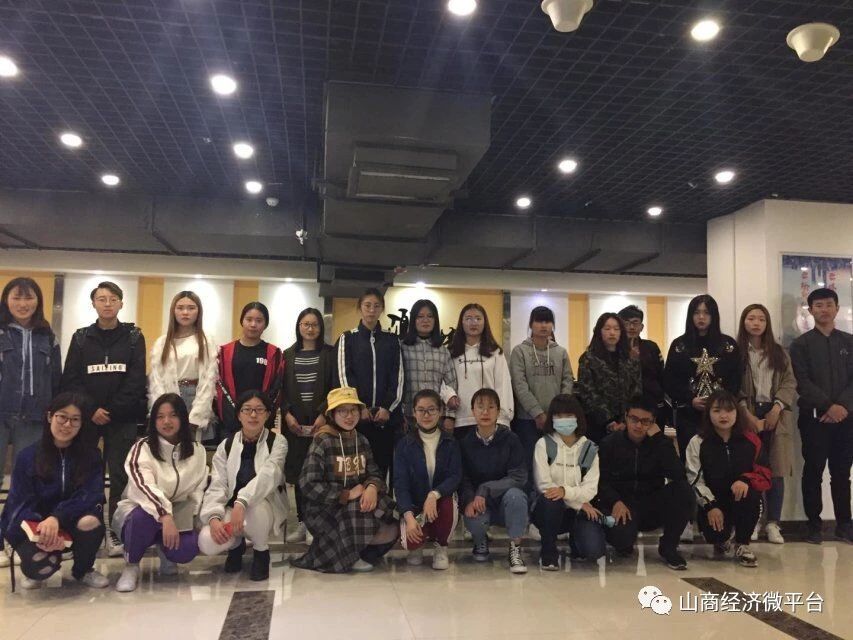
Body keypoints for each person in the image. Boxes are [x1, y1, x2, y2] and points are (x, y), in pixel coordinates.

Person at [60, 281, 147, 557]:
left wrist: (111, 410)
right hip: (87, 419)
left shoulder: (134, 337)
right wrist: (92, 410)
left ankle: (116, 531)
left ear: (121, 303)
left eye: (112, 299)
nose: (107, 304)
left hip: (122, 419)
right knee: (85, 474)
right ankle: (87, 530)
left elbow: (136, 380)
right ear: (93, 304)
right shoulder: (81, 338)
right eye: (101, 299)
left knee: (121, 475)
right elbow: (71, 378)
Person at [0, 392, 109, 589]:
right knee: (38, 566)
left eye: (75, 420)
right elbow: (19, 501)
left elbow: (90, 495)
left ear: (81, 424)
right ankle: (42, 565)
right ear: (50, 416)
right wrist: (43, 529)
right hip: (39, 527)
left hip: (71, 522)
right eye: (62, 417)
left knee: (90, 521)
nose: (67, 425)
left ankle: (83, 570)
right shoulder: (27, 456)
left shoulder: (91, 456)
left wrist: (58, 518)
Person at [291, 387, 398, 573]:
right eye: (343, 411)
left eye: (353, 410)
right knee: (359, 511)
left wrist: (372, 487)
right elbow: (308, 484)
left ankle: (358, 551)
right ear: (332, 414)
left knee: (390, 513)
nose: (349, 416)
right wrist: (345, 494)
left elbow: (374, 472)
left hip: (356, 502)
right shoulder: (322, 441)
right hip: (324, 508)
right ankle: (349, 557)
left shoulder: (361, 440)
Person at [113, 393, 208, 592]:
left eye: (173, 415)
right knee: (142, 518)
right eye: (160, 416)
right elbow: (144, 486)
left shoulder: (197, 451)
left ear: (183, 418)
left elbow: (198, 488)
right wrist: (165, 515)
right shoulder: (142, 448)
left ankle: (166, 551)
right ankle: (131, 564)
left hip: (178, 511)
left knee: (187, 549)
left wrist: (192, 517)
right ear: (153, 421)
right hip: (141, 510)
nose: (167, 421)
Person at [0, 278, 62, 554]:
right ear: (6, 300)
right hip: (1, 414)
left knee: (25, 483)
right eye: (17, 297)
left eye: (29, 298)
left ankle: (14, 538)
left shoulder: (47, 336)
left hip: (35, 419)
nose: (23, 304)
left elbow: (57, 380)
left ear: (38, 301)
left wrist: (55, 414)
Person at [198, 391, 288, 581]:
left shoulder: (277, 442)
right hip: (233, 509)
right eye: (247, 410)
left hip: (263, 506)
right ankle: (235, 545)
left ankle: (261, 551)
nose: (253, 415)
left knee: (256, 510)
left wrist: (242, 501)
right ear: (239, 415)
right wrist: (214, 517)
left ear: (267, 415)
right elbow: (218, 484)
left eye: (259, 410)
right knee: (207, 541)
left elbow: (269, 475)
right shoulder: (226, 445)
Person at [596, 395, 693, 570]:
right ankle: (625, 542)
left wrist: (659, 439)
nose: (639, 425)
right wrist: (615, 501)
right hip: (622, 505)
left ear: (653, 422)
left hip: (650, 504)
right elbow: (601, 481)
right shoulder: (610, 444)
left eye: (645, 421)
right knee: (622, 540)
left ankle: (669, 547)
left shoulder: (660, 443)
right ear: (626, 417)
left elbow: (678, 475)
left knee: (683, 491)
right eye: (634, 419)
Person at [789, 288, 853, 545]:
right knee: (813, 471)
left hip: (847, 419)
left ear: (837, 308)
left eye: (828, 304)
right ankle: (813, 525)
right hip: (813, 418)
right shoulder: (801, 345)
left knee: (842, 473)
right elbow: (801, 381)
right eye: (818, 305)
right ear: (811, 310)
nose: (824, 309)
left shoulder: (849, 342)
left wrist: (842, 407)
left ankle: (844, 525)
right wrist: (828, 406)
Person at [686, 390, 769, 568]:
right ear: (708, 413)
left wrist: (745, 480)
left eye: (729, 410)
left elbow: (764, 473)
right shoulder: (697, 442)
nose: (723, 416)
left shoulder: (751, 440)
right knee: (715, 535)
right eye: (717, 410)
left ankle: (742, 543)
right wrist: (710, 505)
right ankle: (722, 539)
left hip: (741, 498)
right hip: (713, 502)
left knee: (751, 494)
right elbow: (694, 479)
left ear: (737, 413)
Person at [736, 303, 796, 544]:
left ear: (767, 323)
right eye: (751, 318)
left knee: (776, 470)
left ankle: (773, 523)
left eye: (761, 319)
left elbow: (789, 382)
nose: (756, 323)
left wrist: (777, 408)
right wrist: (746, 414)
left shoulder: (779, 352)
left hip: (775, 414)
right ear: (744, 322)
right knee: (751, 468)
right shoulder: (737, 352)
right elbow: (733, 385)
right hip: (748, 413)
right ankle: (753, 521)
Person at [335, 288, 404, 481]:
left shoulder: (392, 340)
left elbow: (398, 377)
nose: (372, 310)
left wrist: (387, 408)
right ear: (360, 307)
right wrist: (359, 407)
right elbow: (344, 377)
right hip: (356, 419)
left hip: (385, 419)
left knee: (382, 469)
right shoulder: (347, 338)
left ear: (382, 309)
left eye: (376, 306)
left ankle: (381, 500)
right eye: (367, 305)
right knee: (355, 470)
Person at [531, 394, 606, 570]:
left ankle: (576, 540)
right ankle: (548, 552)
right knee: (551, 501)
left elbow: (590, 488)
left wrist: (566, 492)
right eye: (558, 416)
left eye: (568, 415)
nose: (563, 420)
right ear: (552, 418)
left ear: (578, 417)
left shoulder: (589, 448)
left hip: (578, 511)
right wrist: (578, 503)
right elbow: (544, 485)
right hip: (550, 509)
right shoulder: (544, 444)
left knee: (594, 550)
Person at [459, 388, 528, 574]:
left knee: (517, 497)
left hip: (505, 499)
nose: (485, 412)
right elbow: (463, 477)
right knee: (473, 516)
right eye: (480, 407)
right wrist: (468, 499)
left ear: (498, 411)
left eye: (491, 407)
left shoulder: (511, 439)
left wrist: (486, 488)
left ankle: (515, 548)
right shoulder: (465, 442)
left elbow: (518, 476)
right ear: (472, 411)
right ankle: (480, 540)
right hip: (479, 502)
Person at [664, 294, 741, 461]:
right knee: (691, 461)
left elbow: (736, 379)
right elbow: (669, 380)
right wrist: (690, 399)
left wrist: (719, 403)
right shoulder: (679, 346)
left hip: (722, 415)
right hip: (688, 416)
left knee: (720, 460)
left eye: (706, 313)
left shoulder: (728, 346)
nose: (701, 317)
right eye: (696, 312)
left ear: (714, 316)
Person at [282, 308, 336, 544]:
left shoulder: (330, 354)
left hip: (321, 424)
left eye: (314, 324)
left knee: (320, 473)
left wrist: (324, 414)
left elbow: (335, 387)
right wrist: (286, 414)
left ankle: (318, 522)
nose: (310, 329)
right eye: (305, 324)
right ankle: (303, 522)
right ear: (299, 326)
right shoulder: (287, 355)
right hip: (294, 424)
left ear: (320, 328)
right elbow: (281, 389)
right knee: (298, 473)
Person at [394, 389, 461, 570]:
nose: (426, 415)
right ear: (414, 412)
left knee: (449, 501)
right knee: (410, 543)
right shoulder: (404, 445)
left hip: (439, 502)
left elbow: (455, 476)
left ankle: (441, 546)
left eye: (431, 409)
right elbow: (400, 485)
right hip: (415, 506)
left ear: (440, 411)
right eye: (421, 410)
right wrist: (409, 517)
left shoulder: (450, 442)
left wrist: (434, 495)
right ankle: (420, 543)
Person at [510, 305, 574, 476]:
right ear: (531, 324)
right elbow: (519, 385)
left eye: (548, 321)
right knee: (530, 463)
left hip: (556, 419)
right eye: (539, 321)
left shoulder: (560, 352)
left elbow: (567, 380)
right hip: (527, 420)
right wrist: (538, 414)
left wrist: (559, 411)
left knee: (555, 463)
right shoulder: (519, 351)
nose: (544, 325)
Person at [149, 290, 218, 442]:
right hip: (169, 396)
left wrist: (198, 414)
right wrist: (163, 409)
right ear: (173, 311)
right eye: (180, 308)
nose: (185, 312)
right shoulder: (162, 342)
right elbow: (156, 381)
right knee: (168, 446)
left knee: (193, 448)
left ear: (198, 311)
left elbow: (209, 380)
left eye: (191, 308)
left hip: (195, 396)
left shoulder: (206, 340)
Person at [215, 302, 283, 435]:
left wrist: (261, 413)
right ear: (242, 321)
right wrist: (236, 414)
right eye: (249, 319)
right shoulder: (224, 352)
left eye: (259, 321)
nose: (253, 324)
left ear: (265, 324)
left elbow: (277, 388)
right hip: (230, 422)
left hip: (261, 422)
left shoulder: (274, 353)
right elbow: (220, 387)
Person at [450, 304, 513, 440]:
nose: (473, 323)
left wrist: (503, 418)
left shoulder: (495, 352)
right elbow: (446, 383)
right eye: (468, 318)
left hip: (489, 418)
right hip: (461, 419)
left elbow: (503, 385)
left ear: (485, 322)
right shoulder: (452, 352)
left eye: (478, 318)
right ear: (461, 322)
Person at [576, 313, 642, 444]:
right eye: (607, 328)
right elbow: (588, 393)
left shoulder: (629, 358)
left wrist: (626, 420)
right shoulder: (589, 358)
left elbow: (636, 390)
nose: (612, 333)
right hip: (597, 424)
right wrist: (608, 421)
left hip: (627, 424)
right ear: (599, 331)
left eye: (616, 329)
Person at [400, 299, 459, 431]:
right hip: (409, 417)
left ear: (435, 320)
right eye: (420, 316)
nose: (425, 320)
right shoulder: (402, 348)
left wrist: (450, 416)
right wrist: (399, 415)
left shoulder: (443, 351)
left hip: (436, 417)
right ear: (413, 320)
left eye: (430, 316)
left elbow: (451, 384)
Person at [618, 305, 666, 421]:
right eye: (626, 323)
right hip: (625, 408)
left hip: (652, 405)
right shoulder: (615, 350)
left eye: (635, 323)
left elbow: (662, 375)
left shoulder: (651, 347)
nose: (631, 327)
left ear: (642, 327)